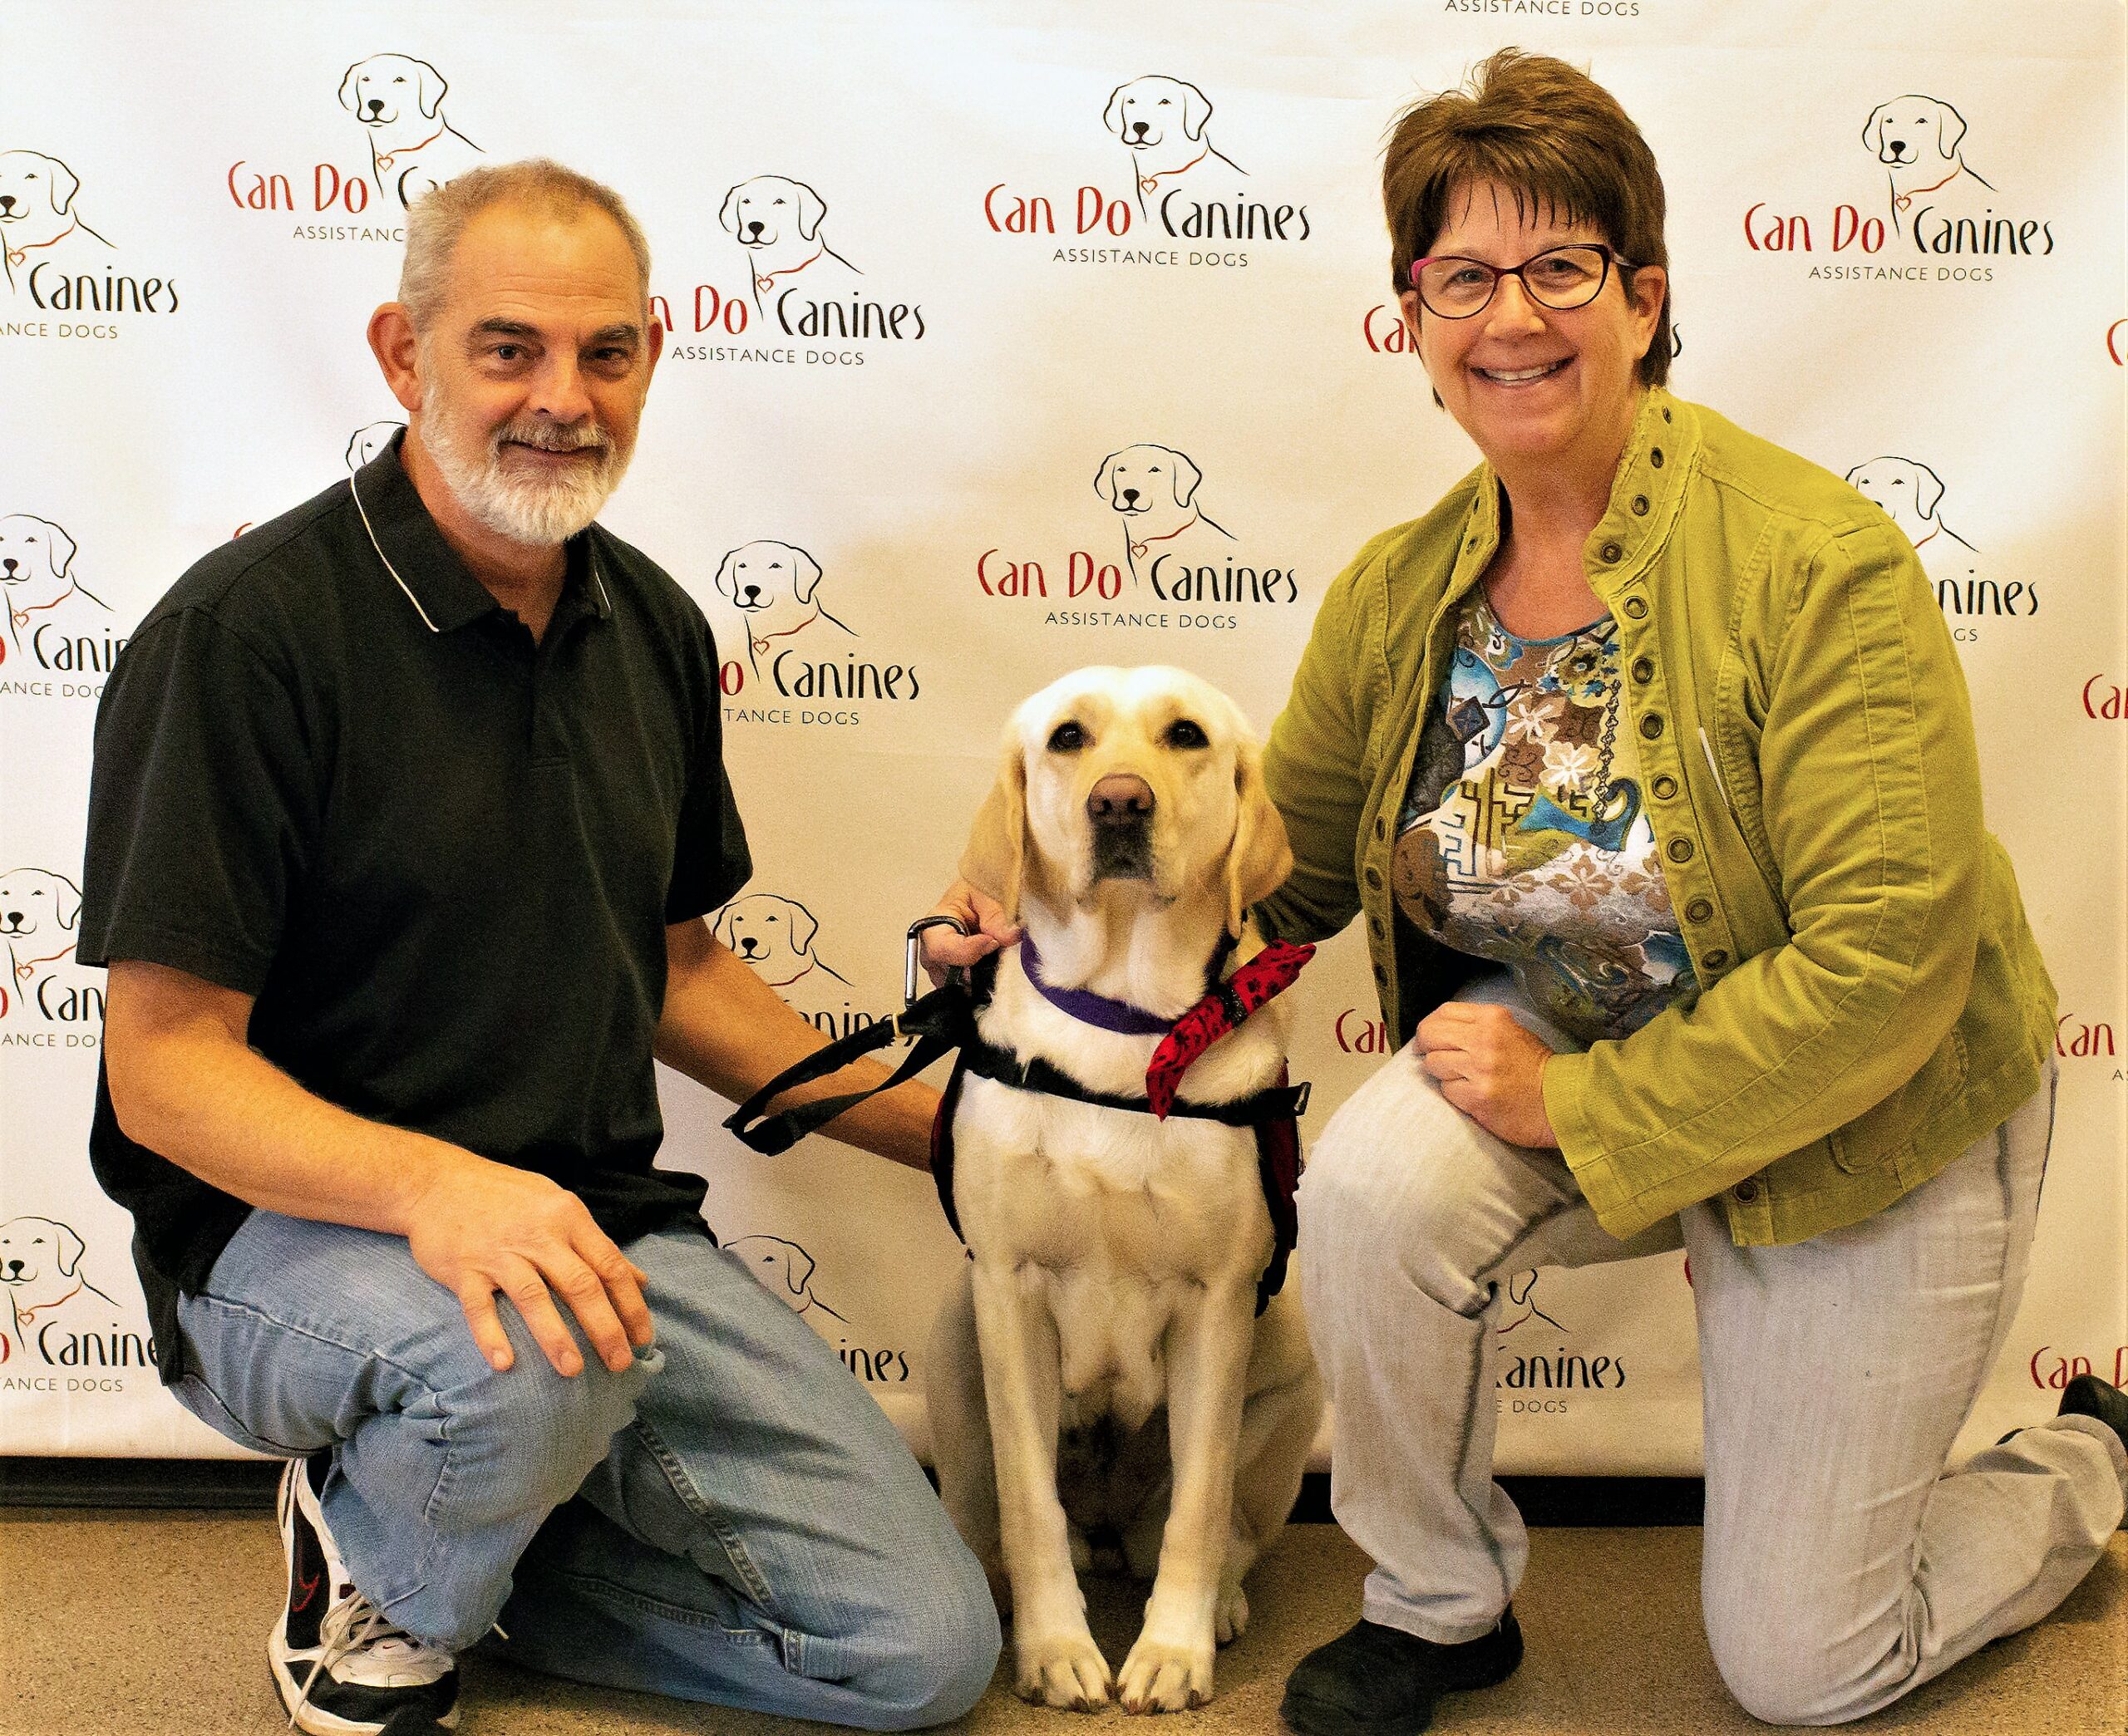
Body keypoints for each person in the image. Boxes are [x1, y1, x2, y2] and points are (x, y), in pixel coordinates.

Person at [931, 48, 2128, 1735]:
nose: (1511, 316)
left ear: (1643, 298)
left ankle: (2081, 1458)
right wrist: (1034, 951)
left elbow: (1881, 960)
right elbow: (1276, 880)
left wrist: (1580, 1094)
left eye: (1559, 266)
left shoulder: (1810, 562)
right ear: (1410, 319)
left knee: (1805, 1665)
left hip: (1864, 1108)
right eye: (1461, 276)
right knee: (1361, 1187)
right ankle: (1435, 1603)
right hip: (1556, 1058)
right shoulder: (1396, 589)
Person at [81, 160, 998, 1735]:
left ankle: (477, 1554)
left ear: (653, 351)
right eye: (507, 349)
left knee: (918, 1655)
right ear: (401, 351)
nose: (561, 400)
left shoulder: (647, 624)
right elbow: (164, 1077)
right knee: (524, 1368)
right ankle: (369, 1576)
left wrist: (963, 1144)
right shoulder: (243, 639)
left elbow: (681, 969)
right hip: (284, 1241)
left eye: (604, 353)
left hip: (593, 1226)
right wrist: (441, 1188)